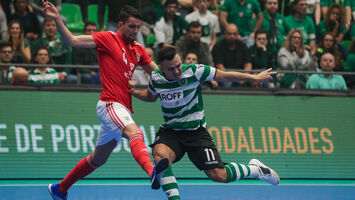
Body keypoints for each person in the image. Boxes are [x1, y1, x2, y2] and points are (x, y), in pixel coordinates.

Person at [42, 2, 169, 200]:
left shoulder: (138, 49)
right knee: (134, 132)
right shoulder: (107, 38)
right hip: (110, 104)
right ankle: (153, 172)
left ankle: (60, 188)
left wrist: (182, 78)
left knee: (97, 159)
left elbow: (159, 74)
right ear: (120, 24)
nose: (135, 31)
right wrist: (57, 18)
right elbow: (73, 40)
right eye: (131, 27)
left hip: (123, 108)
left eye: (138, 27)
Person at [130, 46, 280, 200]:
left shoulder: (195, 71)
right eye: (171, 69)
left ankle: (255, 170)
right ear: (161, 68)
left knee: (219, 175)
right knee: (160, 156)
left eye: (178, 65)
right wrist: (133, 91)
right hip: (171, 131)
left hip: (196, 132)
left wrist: (254, 77)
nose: (177, 71)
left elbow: (224, 76)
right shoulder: (156, 78)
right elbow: (150, 97)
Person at [31, 17, 75, 83]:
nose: (51, 27)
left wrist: (64, 74)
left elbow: (68, 61)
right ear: (43, 27)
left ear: (57, 28)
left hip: (62, 74)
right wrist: (53, 74)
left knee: (72, 79)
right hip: (44, 73)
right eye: (48, 25)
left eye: (53, 25)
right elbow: (33, 61)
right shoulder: (37, 43)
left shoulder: (64, 43)